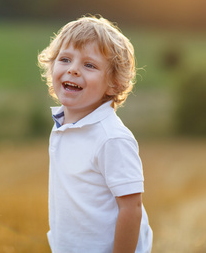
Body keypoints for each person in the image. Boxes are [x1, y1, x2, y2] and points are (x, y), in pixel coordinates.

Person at [38, 15, 152, 253]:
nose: (73, 70)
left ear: (113, 84)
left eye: (89, 65)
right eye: (65, 59)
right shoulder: (61, 126)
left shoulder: (111, 138)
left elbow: (131, 208)